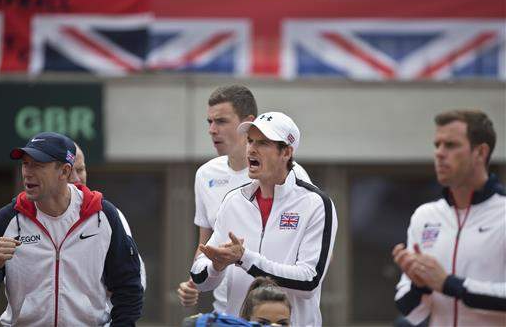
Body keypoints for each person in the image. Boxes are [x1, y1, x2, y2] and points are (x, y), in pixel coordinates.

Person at [190, 112, 337, 326]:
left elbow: (309, 280)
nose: (251, 148)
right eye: (250, 140)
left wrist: (244, 258)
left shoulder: (316, 204)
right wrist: (216, 266)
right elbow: (200, 278)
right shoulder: (233, 200)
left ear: (286, 152)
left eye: (263, 143)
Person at [177, 85, 311, 312]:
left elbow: (315, 258)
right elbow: (206, 244)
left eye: (221, 121)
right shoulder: (205, 174)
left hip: (280, 315)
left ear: (248, 122)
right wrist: (195, 282)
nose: (212, 130)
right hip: (227, 311)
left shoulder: (296, 177)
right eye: (208, 122)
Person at [0, 132, 143, 326]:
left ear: (64, 171)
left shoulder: (104, 216)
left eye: (37, 165)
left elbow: (129, 288)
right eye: (25, 163)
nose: (27, 172)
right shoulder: (7, 219)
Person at [392, 110, 506, 326]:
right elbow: (407, 309)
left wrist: (448, 284)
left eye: (451, 145)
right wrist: (420, 285)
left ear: (480, 152)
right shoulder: (425, 215)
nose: (439, 153)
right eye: (437, 145)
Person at [68, 142, 147, 290]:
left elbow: (136, 279)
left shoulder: (107, 214)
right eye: (68, 171)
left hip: (99, 313)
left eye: (80, 170)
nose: (76, 178)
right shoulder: (20, 218)